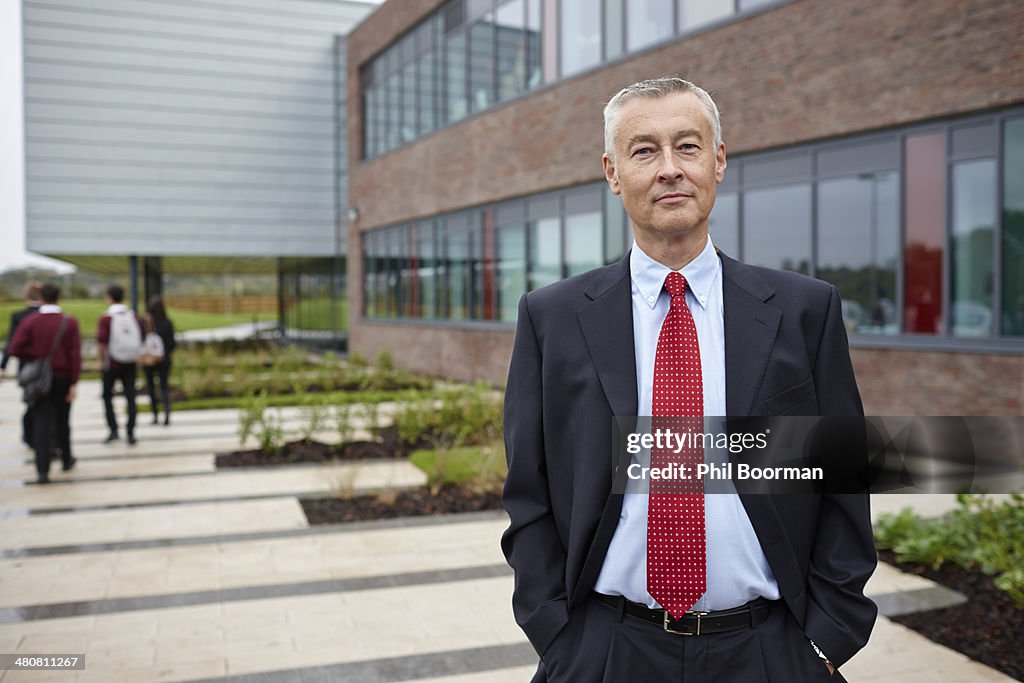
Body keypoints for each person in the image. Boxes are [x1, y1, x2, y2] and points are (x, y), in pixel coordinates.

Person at [501, 78, 876, 682]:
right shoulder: (552, 319)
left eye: (688, 146)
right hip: (605, 650)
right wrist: (556, 633)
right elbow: (529, 491)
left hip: (771, 650)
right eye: (644, 150)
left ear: (719, 160)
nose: (670, 169)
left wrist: (827, 638)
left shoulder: (805, 311)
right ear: (612, 172)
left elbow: (843, 481)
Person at [8, 283, 80, 484]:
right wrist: (74, 382)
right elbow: (75, 354)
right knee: (62, 420)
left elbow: (15, 348)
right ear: (59, 297)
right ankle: (66, 459)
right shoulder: (69, 322)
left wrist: (34, 357)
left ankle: (42, 469)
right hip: (63, 376)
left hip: (40, 380)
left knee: (41, 421)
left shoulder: (31, 322)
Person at [98, 284, 143, 445]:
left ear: (109, 297)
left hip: (112, 363)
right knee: (130, 396)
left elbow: (102, 343)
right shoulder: (133, 316)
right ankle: (131, 432)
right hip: (130, 362)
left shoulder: (106, 318)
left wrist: (102, 362)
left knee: (107, 396)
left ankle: (113, 429)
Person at [0, 281, 43, 447]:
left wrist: (3, 366)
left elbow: (11, 344)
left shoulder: (18, 316)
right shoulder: (46, 315)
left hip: (26, 366)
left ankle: (29, 436)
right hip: (46, 367)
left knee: (30, 401)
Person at [142, 296, 176, 426]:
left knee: (151, 388)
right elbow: (172, 343)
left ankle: (155, 415)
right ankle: (167, 413)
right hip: (164, 360)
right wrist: (163, 354)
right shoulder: (167, 322)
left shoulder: (147, 322)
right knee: (164, 387)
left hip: (149, 360)